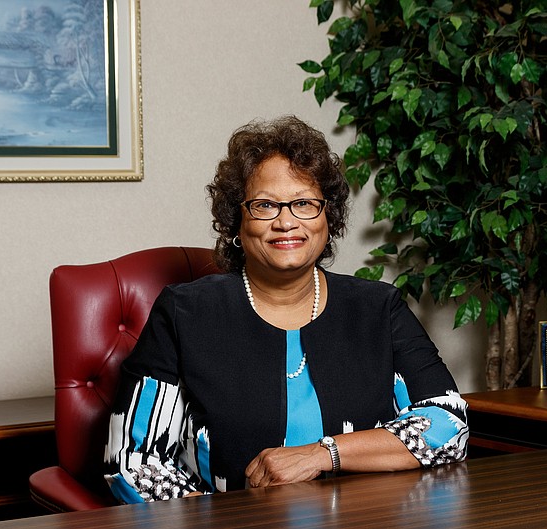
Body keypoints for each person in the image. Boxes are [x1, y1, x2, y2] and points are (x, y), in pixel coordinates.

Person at [103, 116, 469, 503]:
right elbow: (133, 463)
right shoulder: (185, 314)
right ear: (236, 223)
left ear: (327, 218)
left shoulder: (378, 307)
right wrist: (219, 519)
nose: (286, 222)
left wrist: (322, 455)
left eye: (304, 203)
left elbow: (448, 425)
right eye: (264, 205)